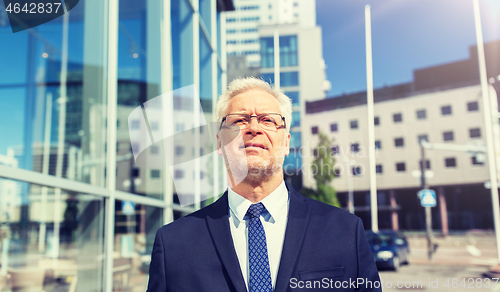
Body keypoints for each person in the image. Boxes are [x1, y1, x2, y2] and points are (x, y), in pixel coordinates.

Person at [147, 77, 382, 292]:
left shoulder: (345, 232)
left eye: (268, 120)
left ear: (287, 142)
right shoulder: (173, 245)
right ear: (219, 143)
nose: (253, 128)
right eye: (238, 120)